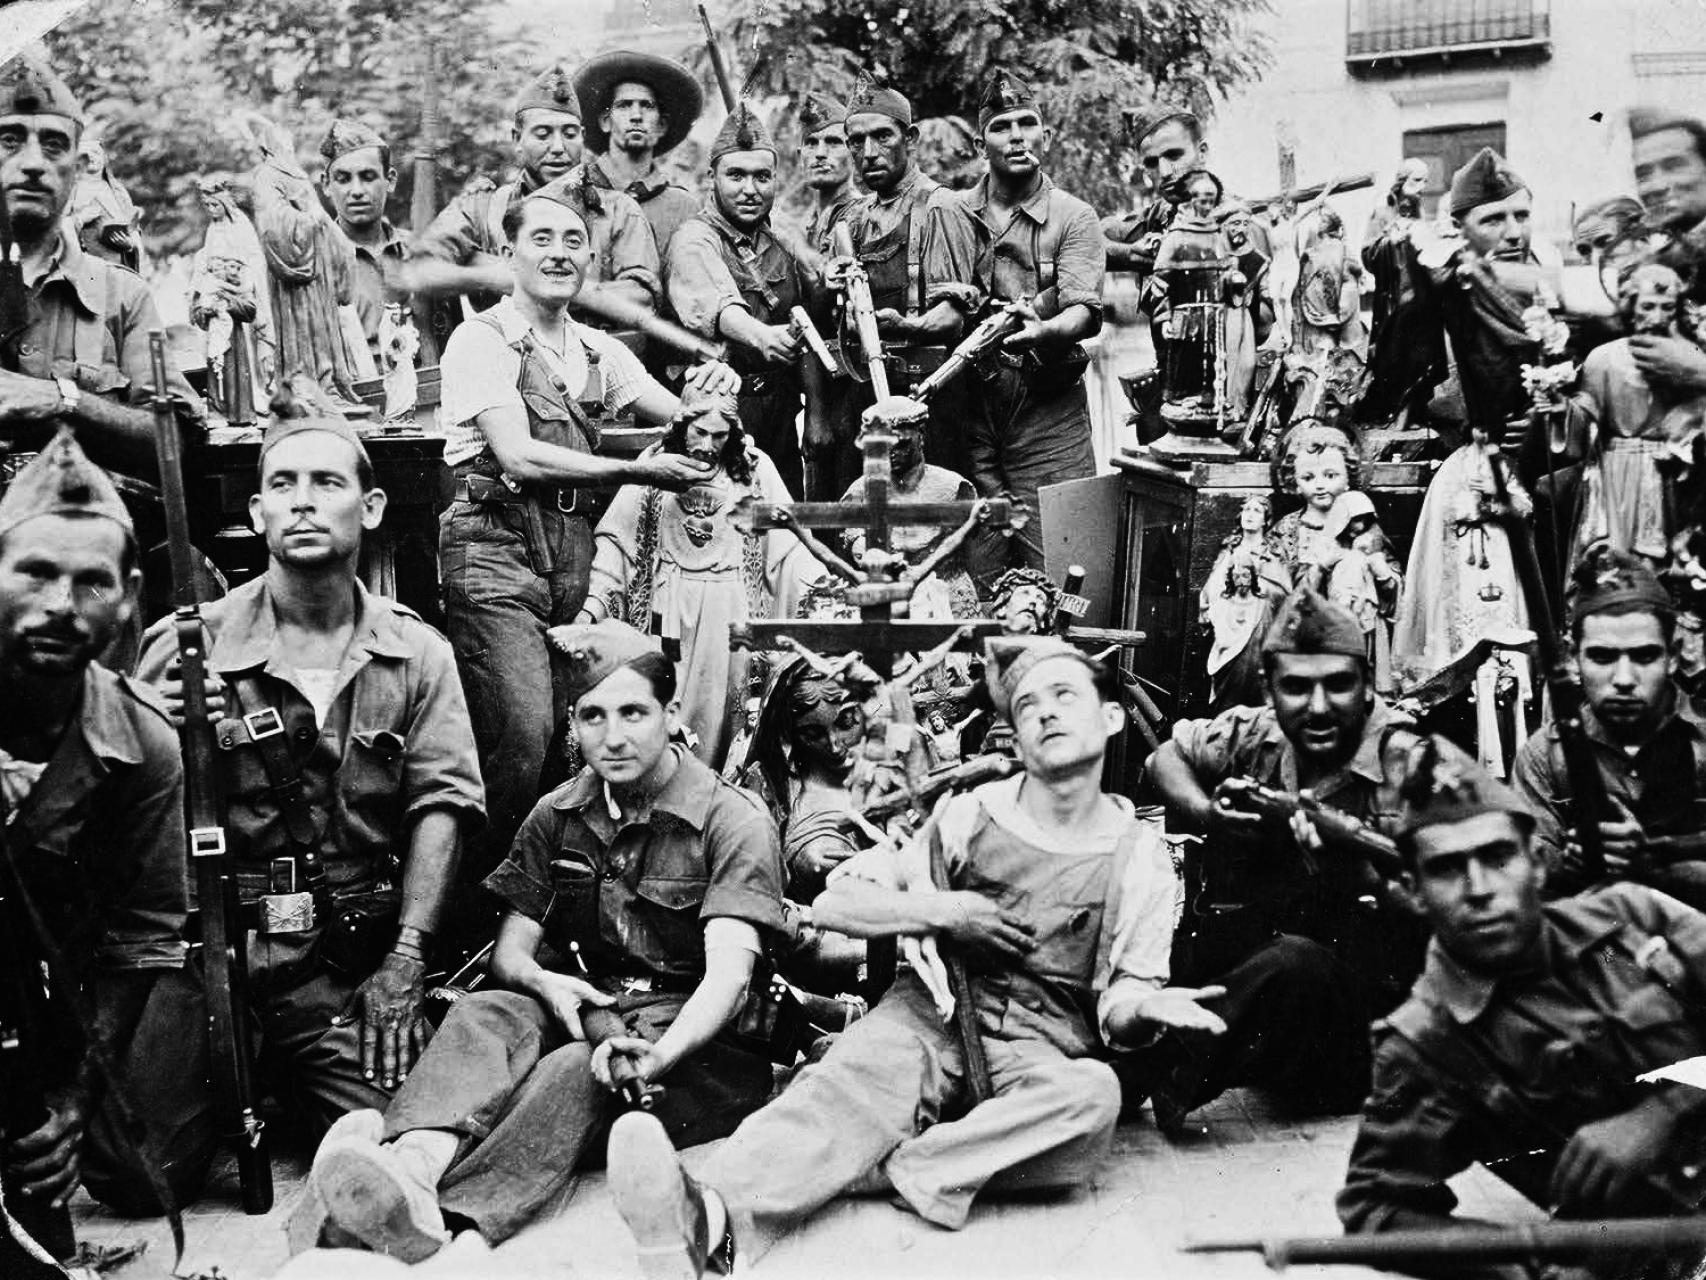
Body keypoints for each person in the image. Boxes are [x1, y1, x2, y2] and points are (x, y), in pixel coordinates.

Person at [603, 636, 1225, 1276]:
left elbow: (1119, 1010)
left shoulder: (1139, 855)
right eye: (1029, 703)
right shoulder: (971, 816)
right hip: (933, 1014)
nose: (1046, 713)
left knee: (1092, 1102)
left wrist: (1146, 1006)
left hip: (1043, 1045)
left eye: (1066, 696)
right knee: (846, 1082)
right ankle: (705, 1216)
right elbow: (840, 904)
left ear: (1112, 717)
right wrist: (943, 911)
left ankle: (886, 1167)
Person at [305, 620, 787, 1260]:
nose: (612, 737)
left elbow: (727, 983)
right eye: (592, 716)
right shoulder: (558, 813)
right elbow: (511, 954)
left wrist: (658, 1058)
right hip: (595, 1007)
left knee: (573, 1069)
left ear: (672, 714)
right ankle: (413, 1165)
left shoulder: (732, 821)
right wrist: (545, 983)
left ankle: (454, 1221)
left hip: (701, 1048)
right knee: (491, 1010)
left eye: (634, 713)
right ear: (572, 722)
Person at [127, 396, 484, 1204]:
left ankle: (287, 1080)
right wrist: (160, 732)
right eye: (282, 484)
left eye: (326, 482)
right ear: (256, 512)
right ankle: (237, 1085)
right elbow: (123, 817)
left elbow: (443, 804)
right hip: (210, 941)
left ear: (371, 506)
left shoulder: (415, 651)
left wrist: (405, 960)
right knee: (133, 1174)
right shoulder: (187, 645)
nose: (303, 499)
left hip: (335, 954)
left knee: (408, 1138)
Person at [435, 183, 734, 887]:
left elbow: (688, 417)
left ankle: (557, 902)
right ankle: (470, 914)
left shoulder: (599, 350)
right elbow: (517, 454)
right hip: (494, 543)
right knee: (522, 734)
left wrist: (716, 392)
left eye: (574, 242)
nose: (559, 253)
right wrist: (637, 467)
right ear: (509, 253)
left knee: (581, 735)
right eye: (541, 239)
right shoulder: (481, 339)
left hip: (569, 546)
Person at [1338, 733, 1706, 1278]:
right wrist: (1519, 1265)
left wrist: (1663, 1112)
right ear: (1413, 892)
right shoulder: (1424, 1040)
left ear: (1536, 863)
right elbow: (1377, 1209)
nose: (1479, 888)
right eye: (1447, 868)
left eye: (1496, 856)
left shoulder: (1631, 920)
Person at [1143, 586, 1425, 1135]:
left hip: (1365, 1040)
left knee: (1296, 962)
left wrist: (1359, 881)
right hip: (1270, 1000)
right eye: (1296, 688)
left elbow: (1456, 933)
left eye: (1338, 685)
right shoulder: (1258, 734)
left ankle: (1161, 1066)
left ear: (1368, 687)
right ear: (1270, 691)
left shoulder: (1413, 768)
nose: (1318, 707)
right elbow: (1165, 757)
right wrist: (1209, 816)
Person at [0, 432, 189, 1230]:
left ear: (127, 596)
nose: (60, 606)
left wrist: (76, 1098)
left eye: (90, 582)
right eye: (35, 573)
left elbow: (142, 933)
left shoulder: (142, 745)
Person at [921, 69, 1104, 583]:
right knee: (974, 573)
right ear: (982, 145)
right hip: (971, 414)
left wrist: (1044, 331)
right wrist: (912, 326)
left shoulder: (1074, 217)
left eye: (1028, 123)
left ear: (1046, 136)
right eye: (1003, 126)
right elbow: (944, 306)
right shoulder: (951, 211)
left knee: (1065, 567)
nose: (1018, 135)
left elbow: (1083, 311)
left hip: (1048, 414)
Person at [578, 387, 815, 771]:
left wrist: (821, 594)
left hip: (729, 613)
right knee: (667, 705)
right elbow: (618, 543)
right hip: (668, 609)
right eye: (699, 432)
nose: (708, 444)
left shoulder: (755, 470)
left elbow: (789, 549)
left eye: (719, 435)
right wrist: (594, 605)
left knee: (727, 718)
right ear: (682, 424)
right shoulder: (655, 464)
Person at [0, 56, 201, 489]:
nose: (34, 162)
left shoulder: (121, 295)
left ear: (76, 170)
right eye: (10, 140)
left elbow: (173, 444)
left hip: (88, 543)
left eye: (54, 144)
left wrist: (64, 400)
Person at [1513, 548, 1706, 912]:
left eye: (1644, 656)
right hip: (1599, 952)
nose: (1623, 680)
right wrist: (1573, 866)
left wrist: (1653, 866)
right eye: (1602, 657)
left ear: (1675, 655)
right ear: (1572, 657)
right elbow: (1527, 887)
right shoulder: (1545, 756)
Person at [405, 65, 662, 332]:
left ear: (583, 138)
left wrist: (526, 280)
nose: (558, 148)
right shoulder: (483, 207)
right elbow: (420, 269)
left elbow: (642, 297)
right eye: (543, 134)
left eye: (569, 134)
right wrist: (488, 276)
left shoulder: (619, 210)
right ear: (517, 138)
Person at [668, 102, 811, 497]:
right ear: (711, 177)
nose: (750, 190)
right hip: (721, 408)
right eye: (736, 176)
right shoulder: (694, 239)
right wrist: (762, 336)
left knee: (781, 522)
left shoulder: (782, 236)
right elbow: (717, 306)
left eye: (762, 177)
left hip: (781, 408)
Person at [834, 82, 958, 477]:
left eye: (882, 136)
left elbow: (952, 315)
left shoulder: (939, 206)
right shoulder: (852, 220)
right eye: (857, 141)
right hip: (865, 394)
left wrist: (911, 325)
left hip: (925, 397)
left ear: (910, 139)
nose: (869, 153)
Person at [573, 51, 704, 255]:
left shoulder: (683, 208)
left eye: (647, 106)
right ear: (605, 121)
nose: (636, 116)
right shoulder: (575, 195)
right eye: (624, 105)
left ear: (661, 125)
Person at [1359, 158, 1445, 426]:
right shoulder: (1383, 210)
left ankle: (1414, 412)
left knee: (1421, 357)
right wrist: (1390, 242)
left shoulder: (1416, 209)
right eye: (1416, 180)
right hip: (1393, 300)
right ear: (1401, 180)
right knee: (1393, 357)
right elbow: (1367, 254)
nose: (1422, 187)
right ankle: (1391, 415)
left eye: (1425, 181)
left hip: (1419, 297)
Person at [319, 119, 411, 368]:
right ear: (326, 184)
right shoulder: (315, 264)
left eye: (368, 177)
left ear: (390, 180)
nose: (356, 190)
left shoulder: (418, 251)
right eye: (343, 179)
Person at [799, 92, 856, 258]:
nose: (820, 153)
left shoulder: (863, 216)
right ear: (799, 156)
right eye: (811, 143)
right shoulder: (804, 225)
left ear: (854, 153)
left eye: (833, 142)